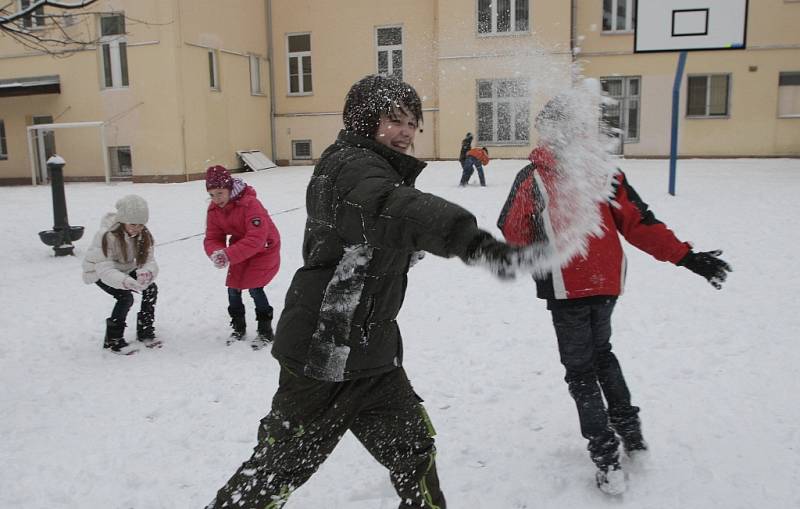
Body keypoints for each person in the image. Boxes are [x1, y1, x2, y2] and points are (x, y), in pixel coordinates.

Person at [206, 75, 546, 509]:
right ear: (366, 121)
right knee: (276, 470)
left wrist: (403, 254)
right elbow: (390, 209)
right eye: (394, 120)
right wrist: (474, 243)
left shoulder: (376, 168)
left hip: (372, 355)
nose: (406, 131)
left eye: (412, 122)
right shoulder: (350, 166)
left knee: (414, 451)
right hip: (322, 354)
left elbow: (372, 233)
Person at [497, 95, 732, 495]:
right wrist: (688, 258)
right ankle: (631, 434)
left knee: (581, 370)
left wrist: (540, 239)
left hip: (566, 287)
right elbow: (640, 224)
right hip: (606, 284)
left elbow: (513, 229)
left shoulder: (534, 176)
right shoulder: (605, 173)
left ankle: (606, 459)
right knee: (602, 355)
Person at [204, 165, 281, 350]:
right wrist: (217, 253)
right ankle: (238, 328)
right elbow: (213, 237)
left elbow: (256, 238)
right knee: (233, 288)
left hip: (264, 247)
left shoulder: (250, 204)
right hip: (240, 247)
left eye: (220, 193)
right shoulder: (214, 209)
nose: (216, 199)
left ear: (230, 189)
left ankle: (265, 331)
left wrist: (228, 254)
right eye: (212, 194)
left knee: (255, 287)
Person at [82, 194, 159, 355]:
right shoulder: (106, 236)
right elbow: (105, 269)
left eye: (140, 224)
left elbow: (149, 260)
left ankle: (145, 331)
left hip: (124, 268)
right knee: (125, 298)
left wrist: (147, 272)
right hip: (99, 271)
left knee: (151, 289)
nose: (136, 228)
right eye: (132, 224)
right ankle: (113, 341)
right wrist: (125, 282)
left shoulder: (143, 235)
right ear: (122, 220)